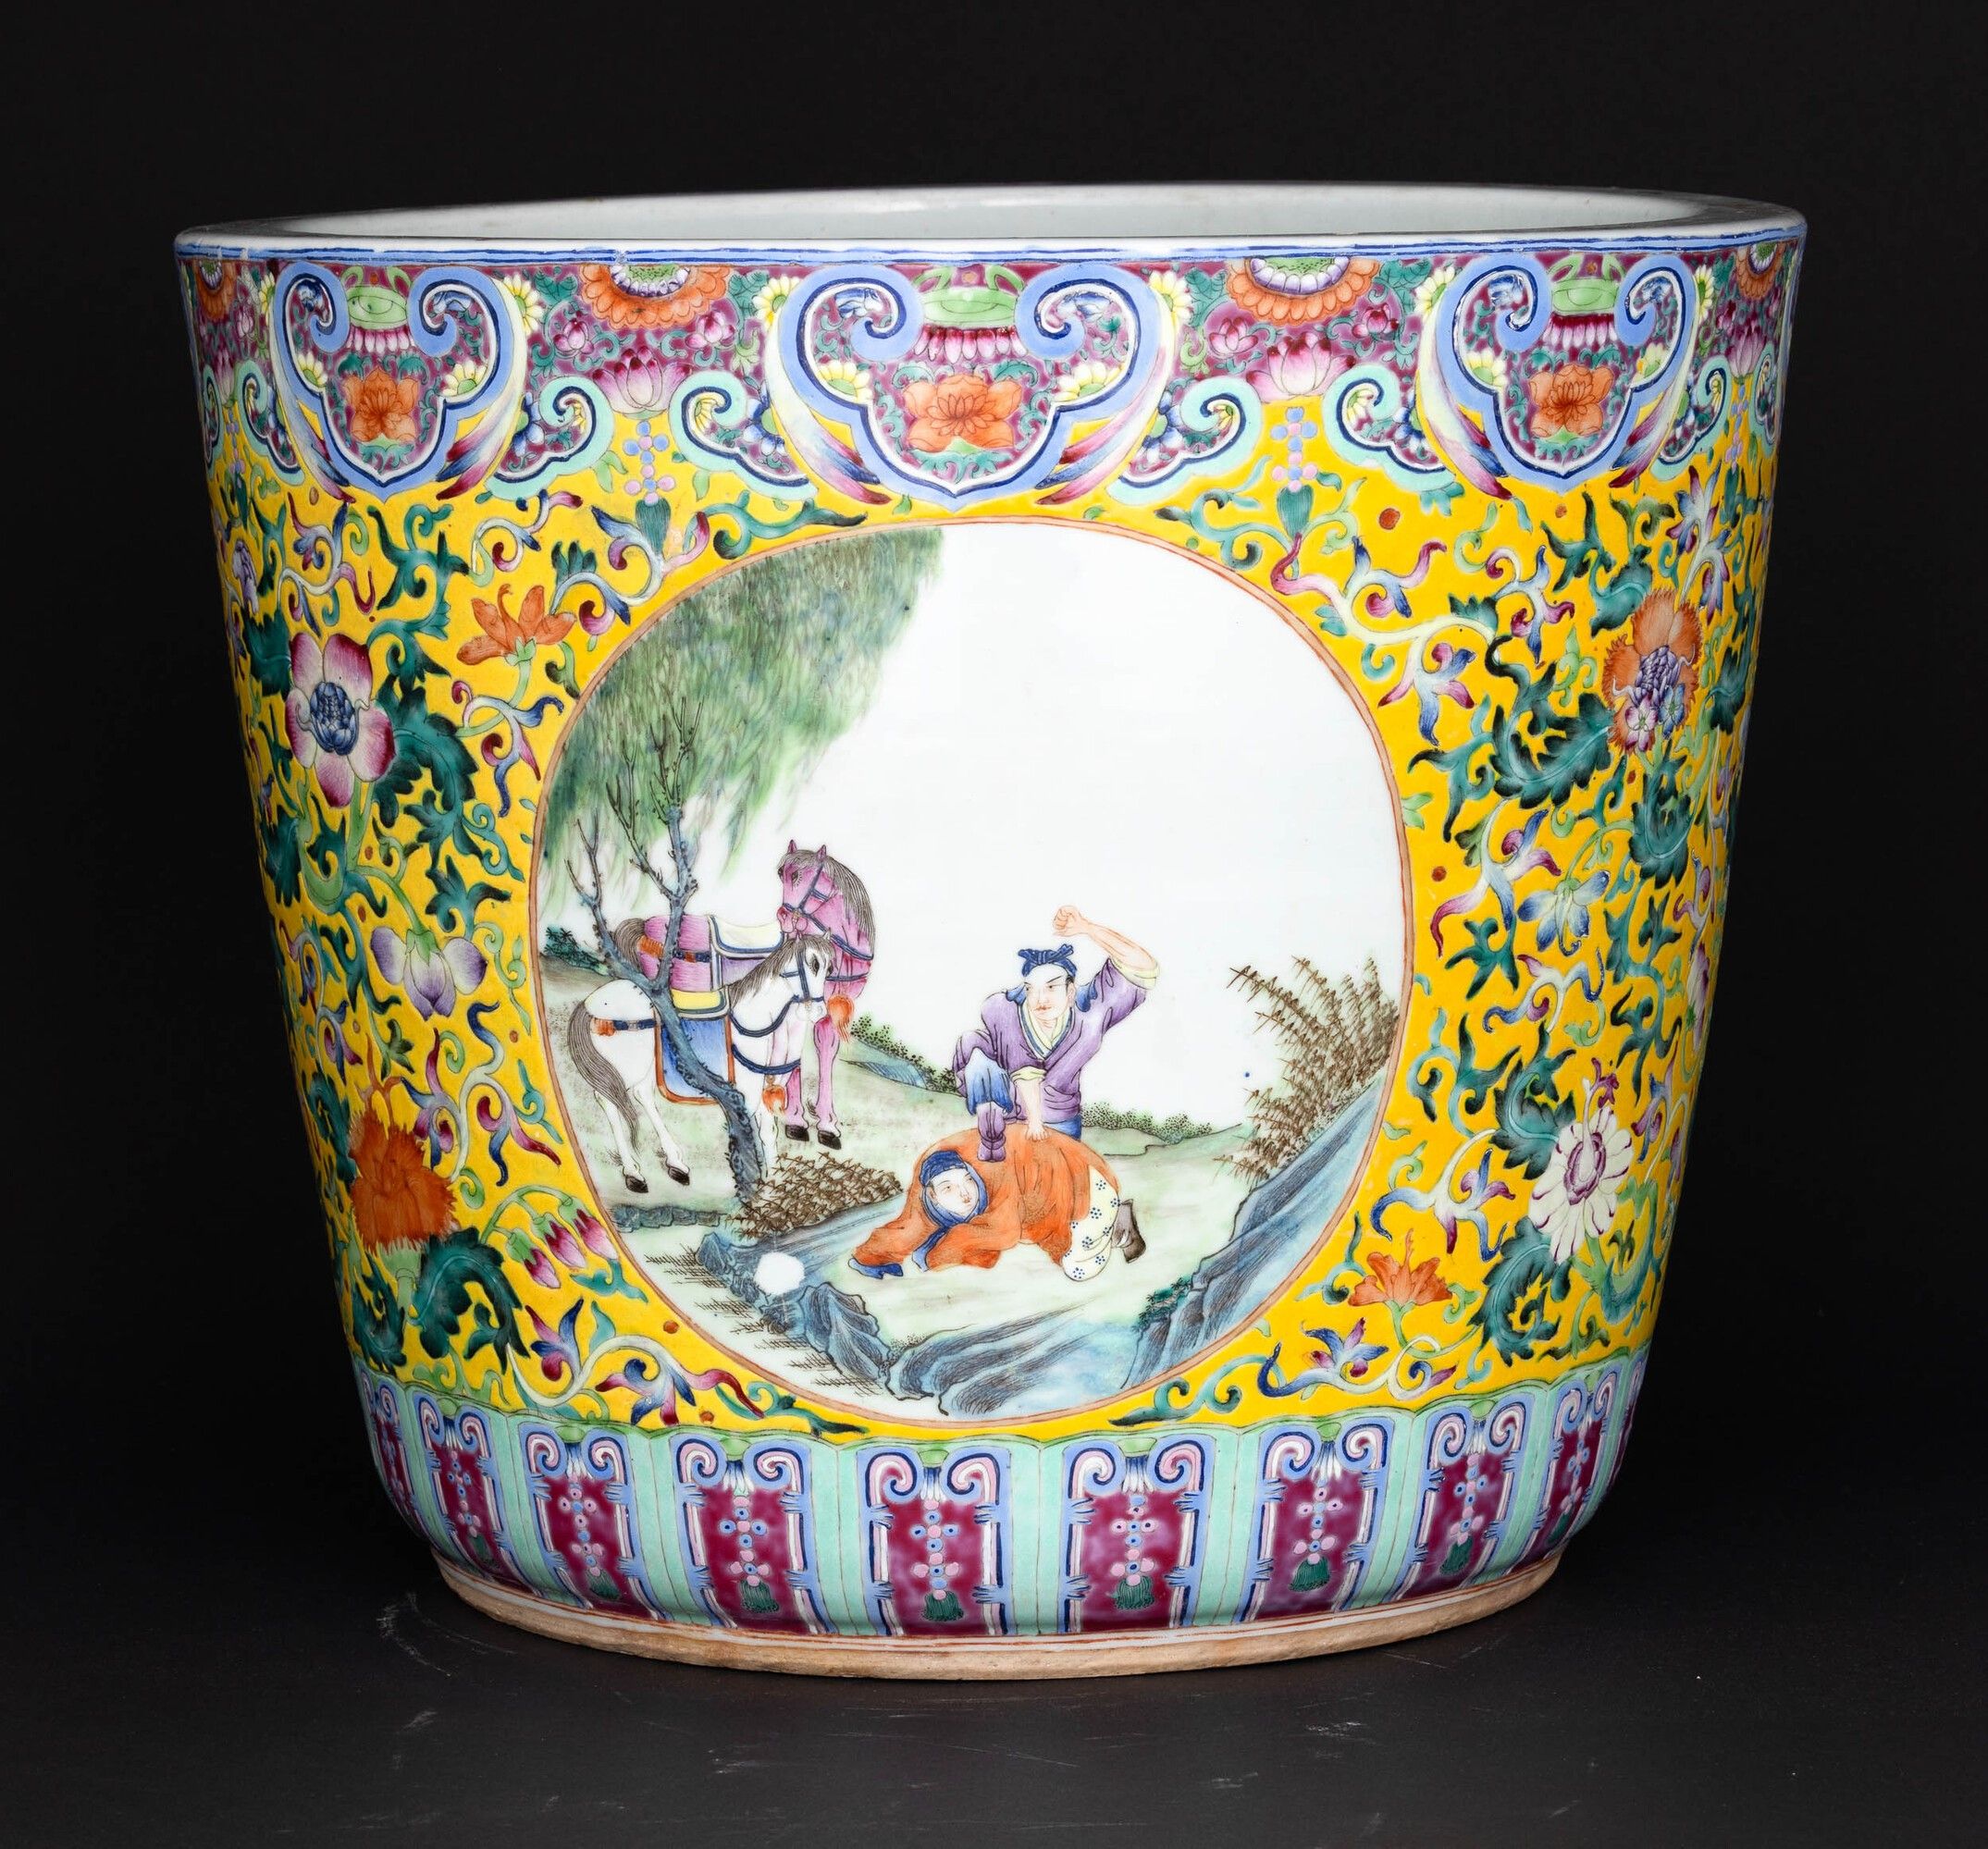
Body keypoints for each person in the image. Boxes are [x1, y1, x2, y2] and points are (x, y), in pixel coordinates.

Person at [952, 907, 1158, 1164]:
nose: (1041, 999)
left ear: (1071, 992)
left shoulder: (1089, 1011)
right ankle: (991, 1132)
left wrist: (1087, 927)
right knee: (976, 1051)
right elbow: (1024, 1072)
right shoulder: (1005, 1011)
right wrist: (1033, 1121)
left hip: (1061, 1117)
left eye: (1051, 987)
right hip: (1007, 1117)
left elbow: (1143, 966)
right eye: (1032, 989)